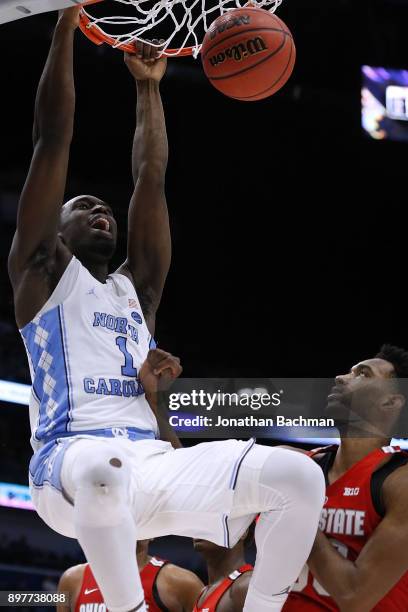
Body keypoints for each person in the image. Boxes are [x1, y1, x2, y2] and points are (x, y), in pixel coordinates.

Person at [8, 7, 325, 612]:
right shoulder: (42, 276)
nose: (101, 211)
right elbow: (52, 137)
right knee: (103, 470)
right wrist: (65, 27)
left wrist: (149, 89)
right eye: (84, 206)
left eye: (106, 208)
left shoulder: (137, 293)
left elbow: (150, 177)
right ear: (59, 232)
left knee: (298, 477)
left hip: (152, 467)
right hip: (69, 467)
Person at [284, 344, 408, 611]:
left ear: (391, 402)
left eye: (362, 374)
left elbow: (355, 598)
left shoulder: (399, 481)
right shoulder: (294, 463)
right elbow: (195, 483)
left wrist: (293, 513)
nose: (340, 377)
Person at [57, 539, 204, 612]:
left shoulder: (183, 583)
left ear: (153, 532)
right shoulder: (71, 579)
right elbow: (37, 598)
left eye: (138, 515)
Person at [193, 525, 254, 612]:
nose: (199, 527)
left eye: (213, 519)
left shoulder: (246, 586)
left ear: (242, 531)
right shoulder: (202, 593)